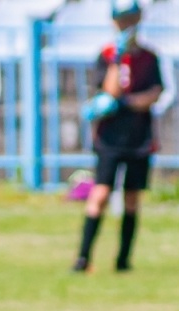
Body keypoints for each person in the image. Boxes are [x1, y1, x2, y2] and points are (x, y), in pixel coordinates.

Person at [72, 0, 163, 273]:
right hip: (110, 138)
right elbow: (110, 92)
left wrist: (130, 102)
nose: (127, 25)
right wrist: (117, 59)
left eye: (131, 19)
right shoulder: (107, 55)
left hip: (139, 136)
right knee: (100, 194)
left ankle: (123, 260)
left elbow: (155, 93)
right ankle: (83, 258)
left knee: (132, 197)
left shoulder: (149, 57)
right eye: (122, 20)